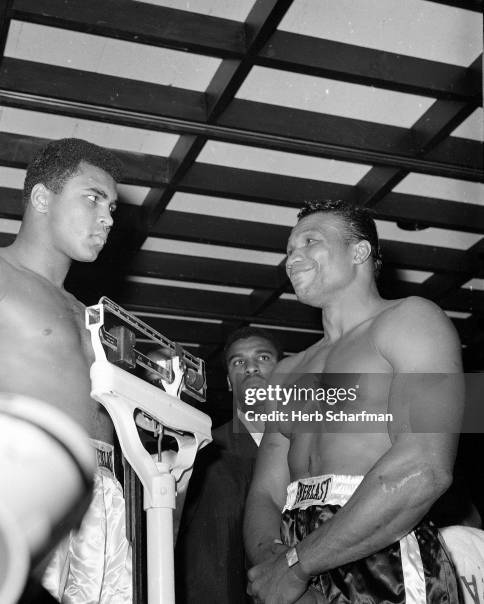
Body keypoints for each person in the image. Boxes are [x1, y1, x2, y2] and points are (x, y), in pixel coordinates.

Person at [245, 199, 462, 603]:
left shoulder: (413, 319)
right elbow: (267, 493)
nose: (293, 258)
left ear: (359, 252)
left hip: (384, 552)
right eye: (290, 249)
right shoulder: (288, 371)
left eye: (310, 241)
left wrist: (297, 565)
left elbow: (425, 466)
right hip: (296, 556)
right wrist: (276, 568)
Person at [0, 138, 130, 603]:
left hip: (105, 501)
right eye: (93, 198)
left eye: (111, 207)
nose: (108, 218)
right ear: (42, 198)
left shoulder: (93, 316)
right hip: (22, 485)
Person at [174, 327, 282, 604]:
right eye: (239, 362)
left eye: (263, 358)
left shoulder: (308, 446)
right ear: (229, 381)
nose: (251, 368)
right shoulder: (205, 451)